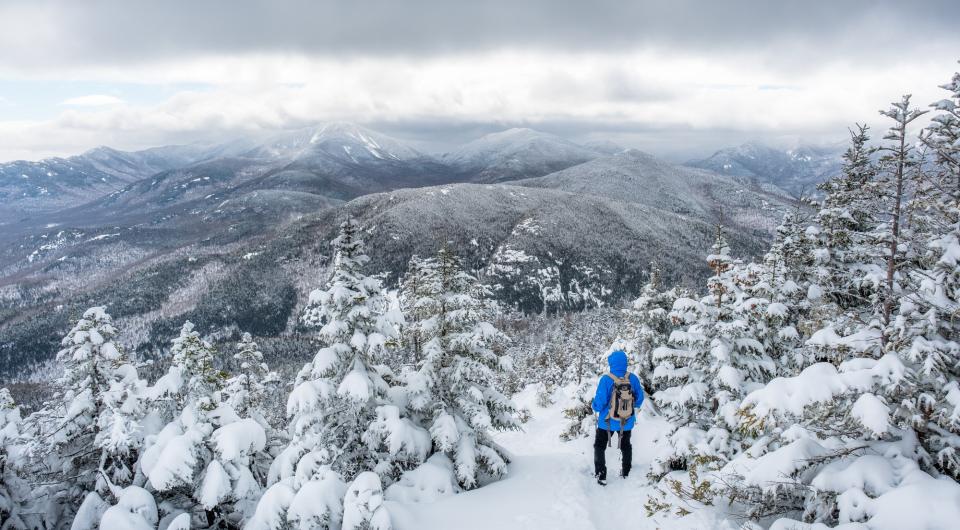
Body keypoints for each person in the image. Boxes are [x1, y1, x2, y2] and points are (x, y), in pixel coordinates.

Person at [591, 350, 644, 485]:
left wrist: (595, 406)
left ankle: (601, 474)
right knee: (626, 446)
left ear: (611, 363)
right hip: (626, 421)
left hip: (606, 421)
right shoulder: (632, 378)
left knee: (599, 446)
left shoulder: (606, 379)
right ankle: (626, 472)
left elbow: (600, 401)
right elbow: (639, 399)